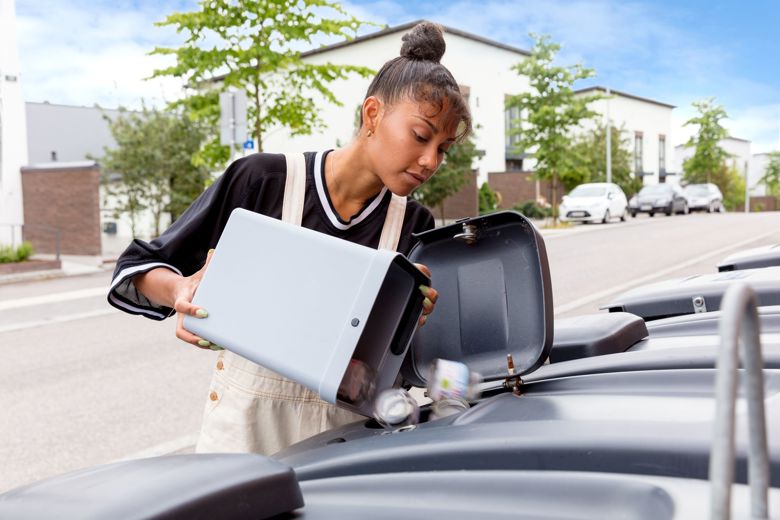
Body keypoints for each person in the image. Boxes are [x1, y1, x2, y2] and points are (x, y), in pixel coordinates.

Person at [107, 21, 472, 455]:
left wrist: (413, 327)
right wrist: (181, 289)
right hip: (244, 439)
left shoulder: (415, 225)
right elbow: (137, 267)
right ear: (372, 114)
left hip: (352, 445)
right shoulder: (263, 181)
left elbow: (420, 367)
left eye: (444, 148)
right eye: (421, 136)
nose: (431, 160)